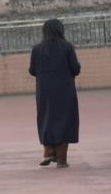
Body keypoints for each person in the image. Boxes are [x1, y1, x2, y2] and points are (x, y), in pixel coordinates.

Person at [29, 19, 80, 168]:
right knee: (65, 120)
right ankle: (61, 160)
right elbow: (75, 69)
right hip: (65, 89)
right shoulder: (67, 47)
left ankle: (49, 151)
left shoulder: (37, 49)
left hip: (44, 90)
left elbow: (32, 70)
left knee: (46, 118)